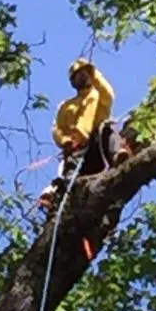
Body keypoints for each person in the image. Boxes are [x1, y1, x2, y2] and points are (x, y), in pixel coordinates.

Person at [39, 59, 131, 210]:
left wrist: (95, 75)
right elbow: (57, 129)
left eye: (85, 73)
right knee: (69, 176)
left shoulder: (98, 95)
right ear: (72, 81)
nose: (82, 77)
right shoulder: (66, 106)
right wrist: (65, 141)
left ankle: (117, 155)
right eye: (78, 75)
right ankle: (59, 197)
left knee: (107, 128)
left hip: (97, 144)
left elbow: (109, 93)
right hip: (76, 151)